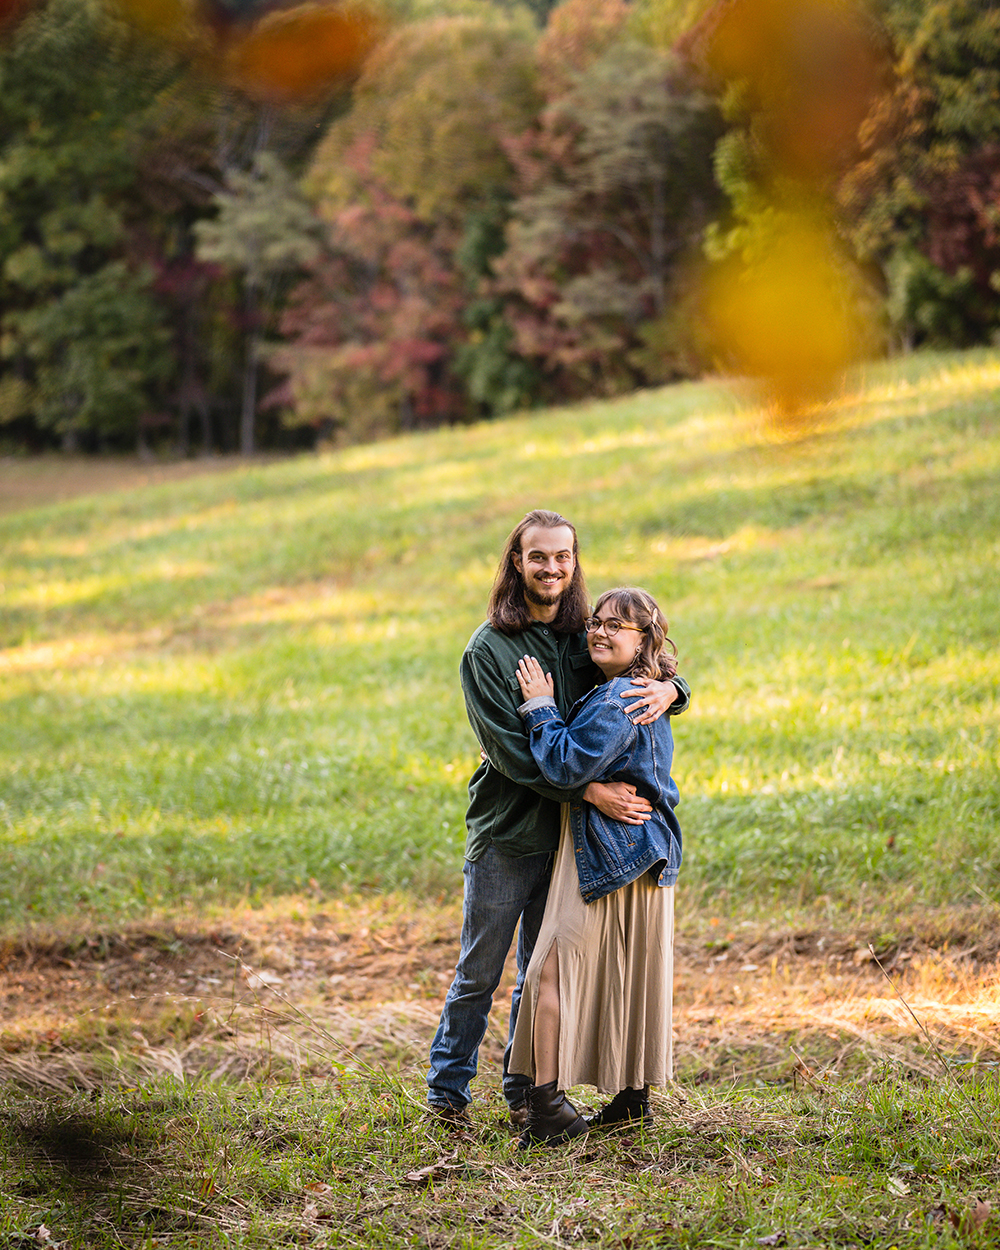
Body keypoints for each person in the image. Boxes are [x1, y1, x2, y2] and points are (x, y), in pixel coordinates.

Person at [426, 511, 690, 1125]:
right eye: (537, 556)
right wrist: (591, 793)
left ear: (574, 563)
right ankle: (447, 1097)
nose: (551, 568)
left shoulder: (581, 636)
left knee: (539, 970)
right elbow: (513, 755)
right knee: (480, 971)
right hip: (511, 832)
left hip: (576, 846)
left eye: (562, 557)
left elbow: (637, 662)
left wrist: (676, 691)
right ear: (516, 562)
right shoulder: (487, 649)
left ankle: (524, 1097)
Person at [509, 586, 683, 1147]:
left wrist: (539, 705)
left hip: (616, 853)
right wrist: (674, 688)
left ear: (644, 640)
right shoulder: (633, 689)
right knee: (628, 971)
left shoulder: (618, 701)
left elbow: (562, 765)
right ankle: (632, 1100)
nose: (601, 632)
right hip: (637, 850)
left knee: (551, 968)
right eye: (598, 623)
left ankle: (548, 1105)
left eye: (618, 626)